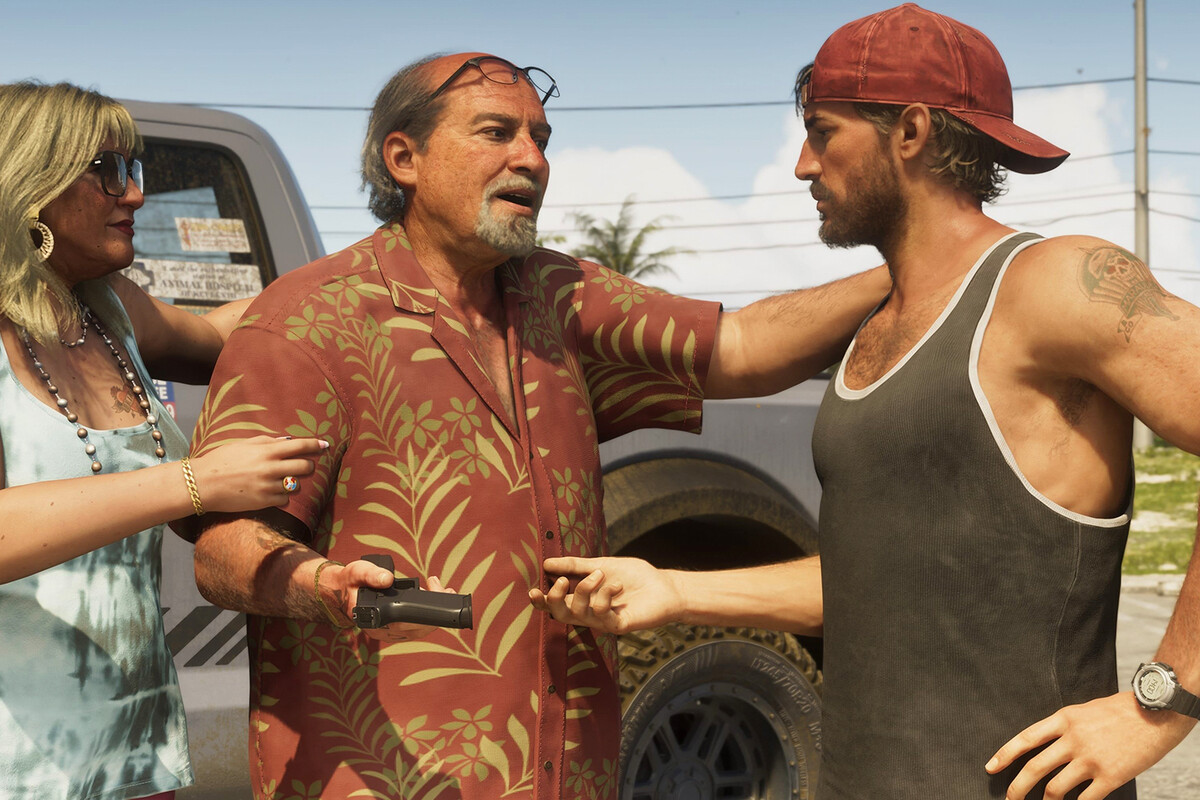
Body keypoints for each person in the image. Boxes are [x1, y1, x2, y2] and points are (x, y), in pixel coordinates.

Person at [174, 52, 890, 800]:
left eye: (540, 139)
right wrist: (322, 586)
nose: (532, 159)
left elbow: (740, 346)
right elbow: (223, 552)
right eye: (497, 133)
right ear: (404, 158)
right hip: (389, 780)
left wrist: (924, 265)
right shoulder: (305, 322)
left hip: (569, 772)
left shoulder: (562, 295)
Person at [531, 5, 1200, 800]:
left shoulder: (1055, 284)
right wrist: (676, 590)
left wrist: (1163, 702)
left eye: (822, 132)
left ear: (910, 131)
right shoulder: (875, 326)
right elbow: (882, 581)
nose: (802, 165)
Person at [0, 81, 327, 800]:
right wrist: (193, 484)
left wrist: (375, 266)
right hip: (21, 767)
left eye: (134, 169)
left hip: (136, 753)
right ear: (29, 181)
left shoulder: (110, 312)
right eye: (108, 171)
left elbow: (227, 332)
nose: (136, 195)